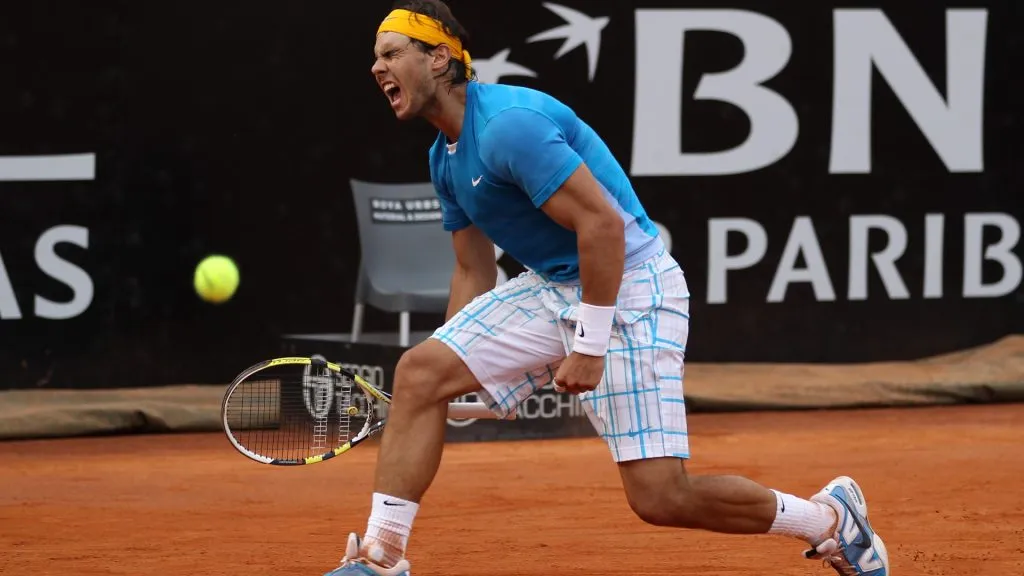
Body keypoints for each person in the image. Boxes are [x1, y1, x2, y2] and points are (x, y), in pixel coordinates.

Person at [325, 1, 890, 575]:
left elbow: (603, 226)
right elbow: (472, 270)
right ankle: (381, 557)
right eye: (376, 57)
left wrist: (590, 345)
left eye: (392, 52)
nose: (377, 67)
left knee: (661, 497)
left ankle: (828, 521)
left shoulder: (508, 127)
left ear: (439, 57)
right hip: (552, 285)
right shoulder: (444, 157)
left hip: (632, 289)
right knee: (421, 373)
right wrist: (459, 371)